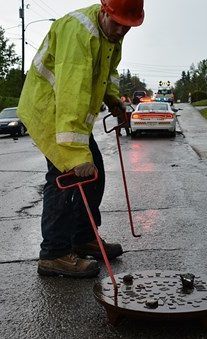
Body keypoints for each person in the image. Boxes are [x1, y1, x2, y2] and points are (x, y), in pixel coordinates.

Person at [17, 0, 145, 278]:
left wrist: (114, 100)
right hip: (51, 110)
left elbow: (107, 73)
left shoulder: (111, 34)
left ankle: (82, 237)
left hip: (69, 115)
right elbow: (71, 96)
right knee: (65, 176)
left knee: (94, 174)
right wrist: (76, 156)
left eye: (128, 27)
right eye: (118, 24)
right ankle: (53, 253)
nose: (122, 31)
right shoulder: (79, 33)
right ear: (104, 11)